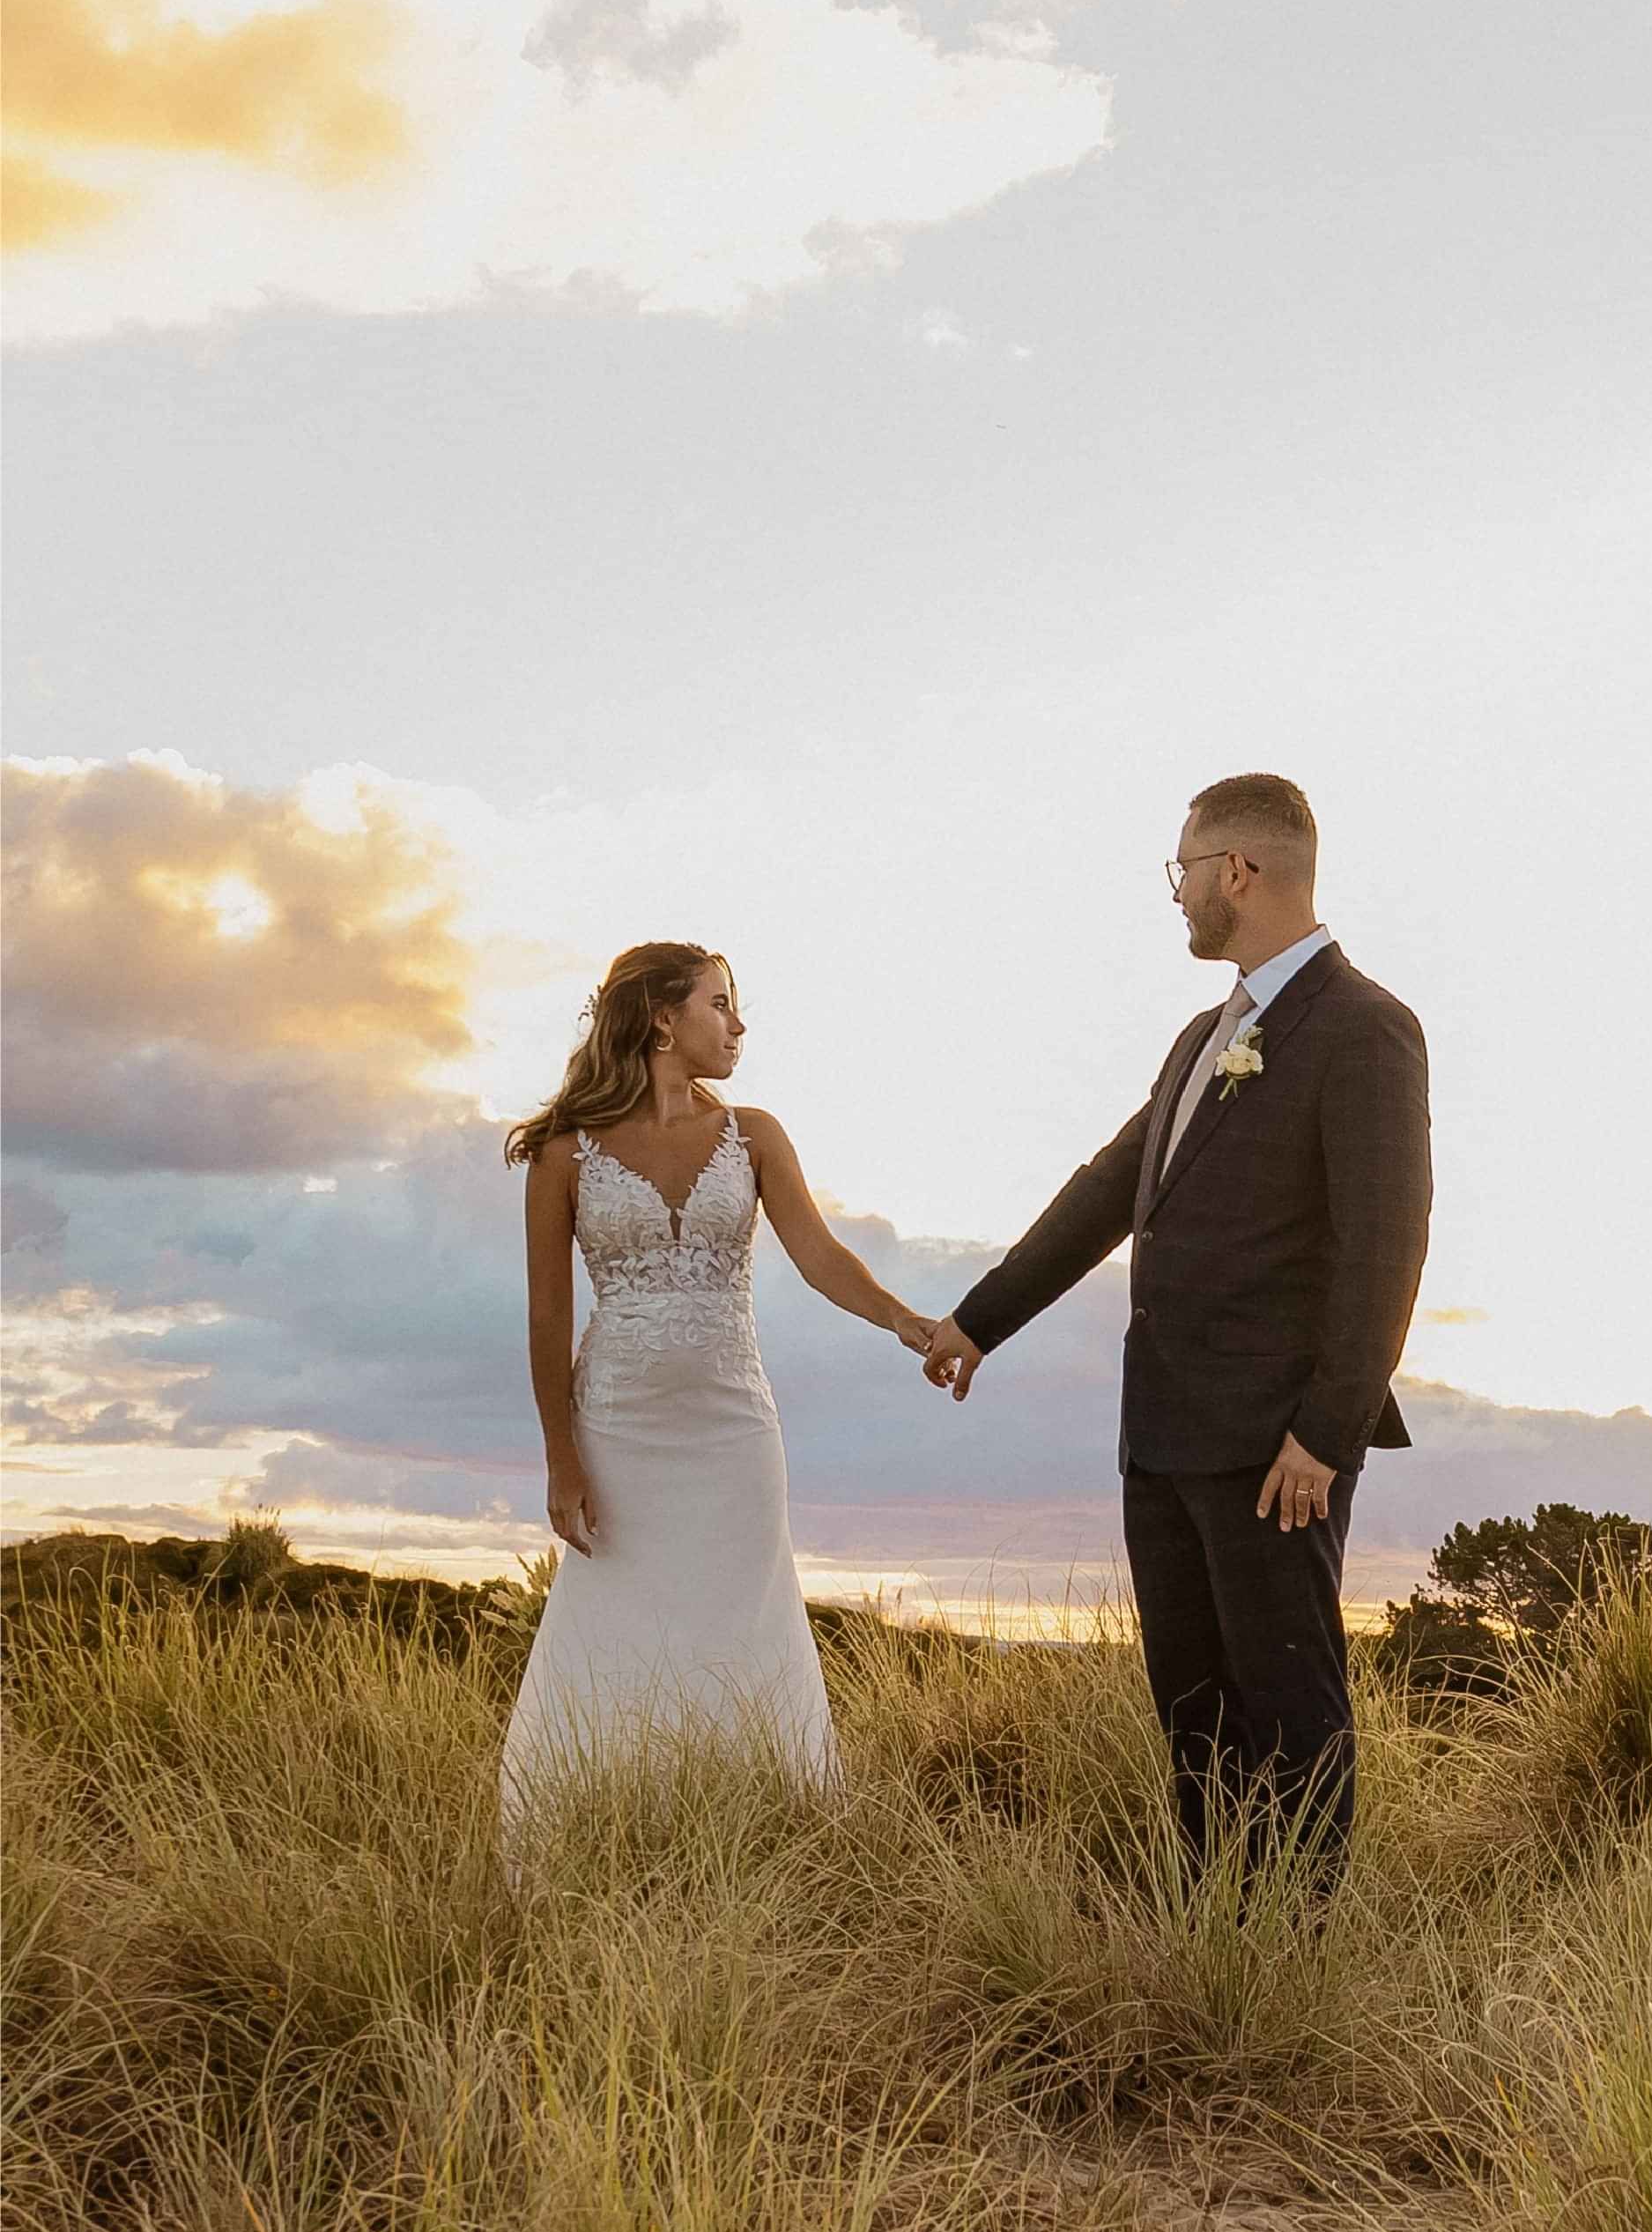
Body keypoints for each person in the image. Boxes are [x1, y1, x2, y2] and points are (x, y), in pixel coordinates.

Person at [922, 774, 1431, 1890]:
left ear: (1237, 873)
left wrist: (1325, 1433)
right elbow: (1111, 1188)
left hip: (1273, 1450)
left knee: (1288, 1710)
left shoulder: (1365, 1028)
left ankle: (1294, 1958)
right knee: (1193, 1716)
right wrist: (976, 1322)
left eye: (1185, 872)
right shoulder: (1206, 1034)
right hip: (1159, 1432)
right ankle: (1210, 1930)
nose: (1180, 896)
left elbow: (1387, 1246)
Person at [502, 940, 933, 1828]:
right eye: (719, 1004)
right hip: (617, 1430)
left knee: (743, 1623)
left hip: (734, 1430)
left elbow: (819, 1257)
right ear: (663, 1017)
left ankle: (761, 1824)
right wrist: (560, 1459)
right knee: (618, 1625)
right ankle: (597, 1822)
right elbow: (548, 1318)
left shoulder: (755, 1135)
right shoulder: (564, 1154)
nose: (738, 1024)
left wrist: (902, 1319)